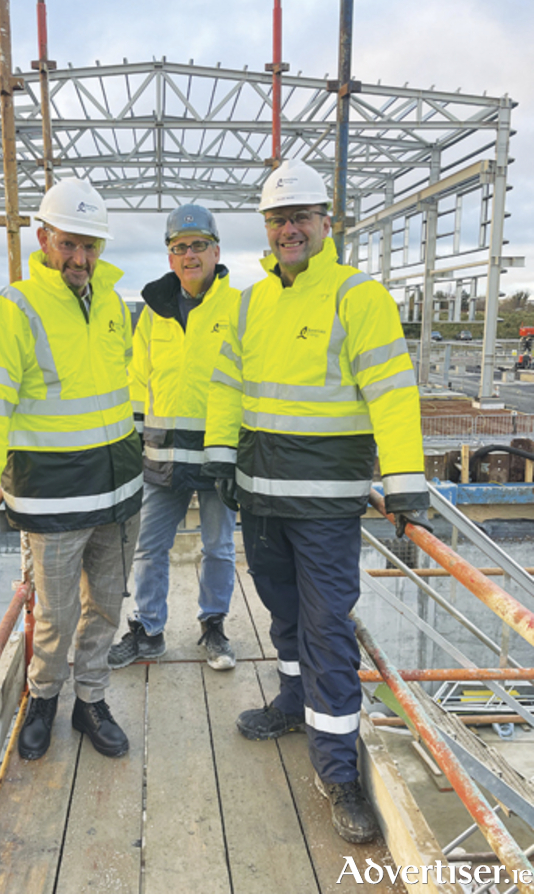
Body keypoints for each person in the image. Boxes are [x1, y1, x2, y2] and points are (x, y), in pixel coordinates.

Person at [202, 160, 430, 844]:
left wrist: (406, 477)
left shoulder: (357, 297)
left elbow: (391, 391)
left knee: (327, 625)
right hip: (261, 497)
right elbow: (226, 384)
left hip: (326, 504)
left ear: (327, 222)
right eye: (278, 219)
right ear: (267, 229)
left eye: (300, 216)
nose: (289, 229)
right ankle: (294, 701)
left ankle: (338, 771)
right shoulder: (250, 302)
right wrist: (220, 454)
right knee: (284, 612)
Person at [0, 177, 143, 761]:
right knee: (55, 615)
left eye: (90, 245)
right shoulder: (14, 310)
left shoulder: (113, 304)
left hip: (118, 491)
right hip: (53, 496)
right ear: (43, 238)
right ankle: (44, 698)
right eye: (68, 243)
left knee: (106, 606)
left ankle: (91, 701)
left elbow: (120, 389)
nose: (79, 258)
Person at [108, 205, 240, 672]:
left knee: (219, 548)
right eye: (180, 247)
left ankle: (213, 626)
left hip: (217, 455)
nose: (190, 255)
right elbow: (137, 381)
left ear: (216, 251)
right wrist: (131, 446)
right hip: (162, 455)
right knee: (148, 547)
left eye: (199, 245)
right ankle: (148, 630)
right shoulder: (153, 314)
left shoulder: (238, 308)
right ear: (170, 257)